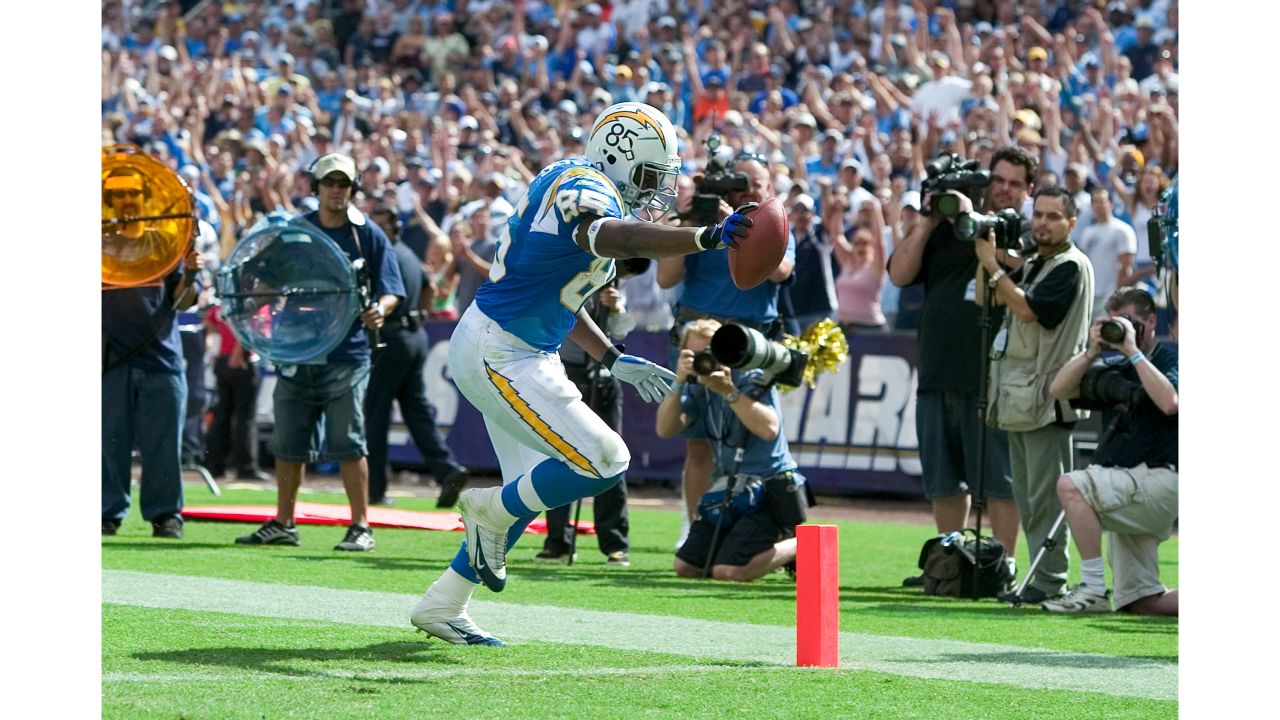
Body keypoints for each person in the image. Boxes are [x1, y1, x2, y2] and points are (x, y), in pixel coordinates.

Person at [409, 102, 759, 645]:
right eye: (649, 176)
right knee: (605, 459)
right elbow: (621, 238)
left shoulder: (581, 186)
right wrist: (705, 237)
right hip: (501, 349)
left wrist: (613, 357)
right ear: (617, 156)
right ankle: (484, 506)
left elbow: (561, 298)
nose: (654, 190)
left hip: (517, 346)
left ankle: (443, 603)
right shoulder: (582, 185)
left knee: (528, 494)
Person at [235, 153, 405, 552]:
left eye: (343, 184)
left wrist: (381, 309)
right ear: (316, 186)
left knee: (350, 442)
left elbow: (392, 289)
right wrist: (259, 298)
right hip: (296, 350)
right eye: (329, 182)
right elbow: (259, 275)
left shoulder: (368, 234)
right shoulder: (296, 232)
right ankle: (283, 521)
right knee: (288, 442)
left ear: (353, 189)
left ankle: (361, 525)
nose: (336, 190)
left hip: (347, 354)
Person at [887, 147, 1033, 581]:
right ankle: (952, 564)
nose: (1004, 190)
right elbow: (899, 274)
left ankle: (1002, 569)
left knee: (998, 482)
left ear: (1027, 190)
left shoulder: (1022, 227)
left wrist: (974, 223)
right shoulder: (943, 227)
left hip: (992, 372)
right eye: (999, 181)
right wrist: (931, 218)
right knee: (944, 480)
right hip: (936, 367)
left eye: (1014, 183)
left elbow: (1020, 266)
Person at [657, 154, 795, 543]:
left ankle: (758, 529)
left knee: (753, 434)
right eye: (739, 183)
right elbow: (667, 277)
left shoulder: (773, 219)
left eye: (756, 183)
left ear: (769, 188)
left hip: (749, 342)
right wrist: (697, 225)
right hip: (698, 332)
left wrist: (741, 231)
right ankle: (697, 528)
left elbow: (782, 271)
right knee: (697, 440)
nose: (748, 190)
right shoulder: (703, 221)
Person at [975, 186, 1096, 605]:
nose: (1042, 223)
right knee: (1029, 497)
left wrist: (995, 267)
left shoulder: (1069, 266)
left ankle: (1051, 579)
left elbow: (1028, 311)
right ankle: (1039, 578)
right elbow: (984, 297)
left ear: (1071, 223)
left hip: (1048, 398)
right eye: (1038, 215)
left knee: (1045, 496)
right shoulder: (1038, 264)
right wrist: (988, 259)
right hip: (1021, 395)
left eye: (1052, 216)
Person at [1045, 287, 1177, 615]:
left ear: (1150, 322)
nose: (1123, 329)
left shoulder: (1173, 357)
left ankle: (1091, 588)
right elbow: (1057, 390)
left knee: (1071, 485)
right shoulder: (1115, 365)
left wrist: (1133, 351)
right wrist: (1092, 350)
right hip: (1132, 487)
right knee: (1140, 601)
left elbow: (1169, 402)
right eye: (1117, 322)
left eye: (1131, 322)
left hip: (1163, 479)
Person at [657, 319, 804, 581]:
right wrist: (679, 383)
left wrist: (728, 391)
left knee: (727, 572)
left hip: (771, 490)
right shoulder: (698, 389)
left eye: (709, 354)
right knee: (686, 567)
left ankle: (802, 546)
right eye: (695, 355)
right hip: (731, 492)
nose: (704, 362)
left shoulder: (751, 379)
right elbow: (665, 430)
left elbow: (769, 428)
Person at [102, 167, 204, 539]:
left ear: (145, 198)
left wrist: (191, 274)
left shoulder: (166, 244)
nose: (127, 201)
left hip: (161, 358)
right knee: (109, 441)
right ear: (109, 201)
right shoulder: (99, 245)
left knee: (163, 445)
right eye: (118, 195)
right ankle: (107, 512)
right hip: (111, 361)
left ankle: (165, 514)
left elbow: (184, 302)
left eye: (133, 193)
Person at [365, 205, 469, 508]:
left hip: (391, 336)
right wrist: (420, 315)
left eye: (379, 224)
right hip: (414, 337)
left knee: (375, 413)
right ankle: (447, 469)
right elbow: (429, 289)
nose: (373, 229)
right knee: (416, 410)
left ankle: (375, 489)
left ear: (393, 229)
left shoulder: (383, 256)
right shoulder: (408, 254)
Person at [535, 280, 637, 567]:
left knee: (611, 456)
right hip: (566, 372)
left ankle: (615, 543)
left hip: (604, 380)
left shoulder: (610, 284)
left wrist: (615, 308)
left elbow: (620, 333)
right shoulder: (567, 279)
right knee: (560, 455)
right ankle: (557, 540)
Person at [203, 302, 270, 481]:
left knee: (222, 414)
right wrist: (237, 352)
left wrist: (215, 349)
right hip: (241, 361)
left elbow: (210, 322)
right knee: (245, 417)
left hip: (222, 361)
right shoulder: (253, 302)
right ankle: (245, 467)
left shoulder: (224, 301)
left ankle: (215, 465)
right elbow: (249, 328)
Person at [1078, 187, 1139, 319]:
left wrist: (1117, 298)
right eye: (1095, 201)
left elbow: (1126, 267)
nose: (1099, 205)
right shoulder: (1087, 232)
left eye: (1102, 201)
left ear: (1110, 204)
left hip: (1110, 295)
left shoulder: (1123, 230)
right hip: (1090, 294)